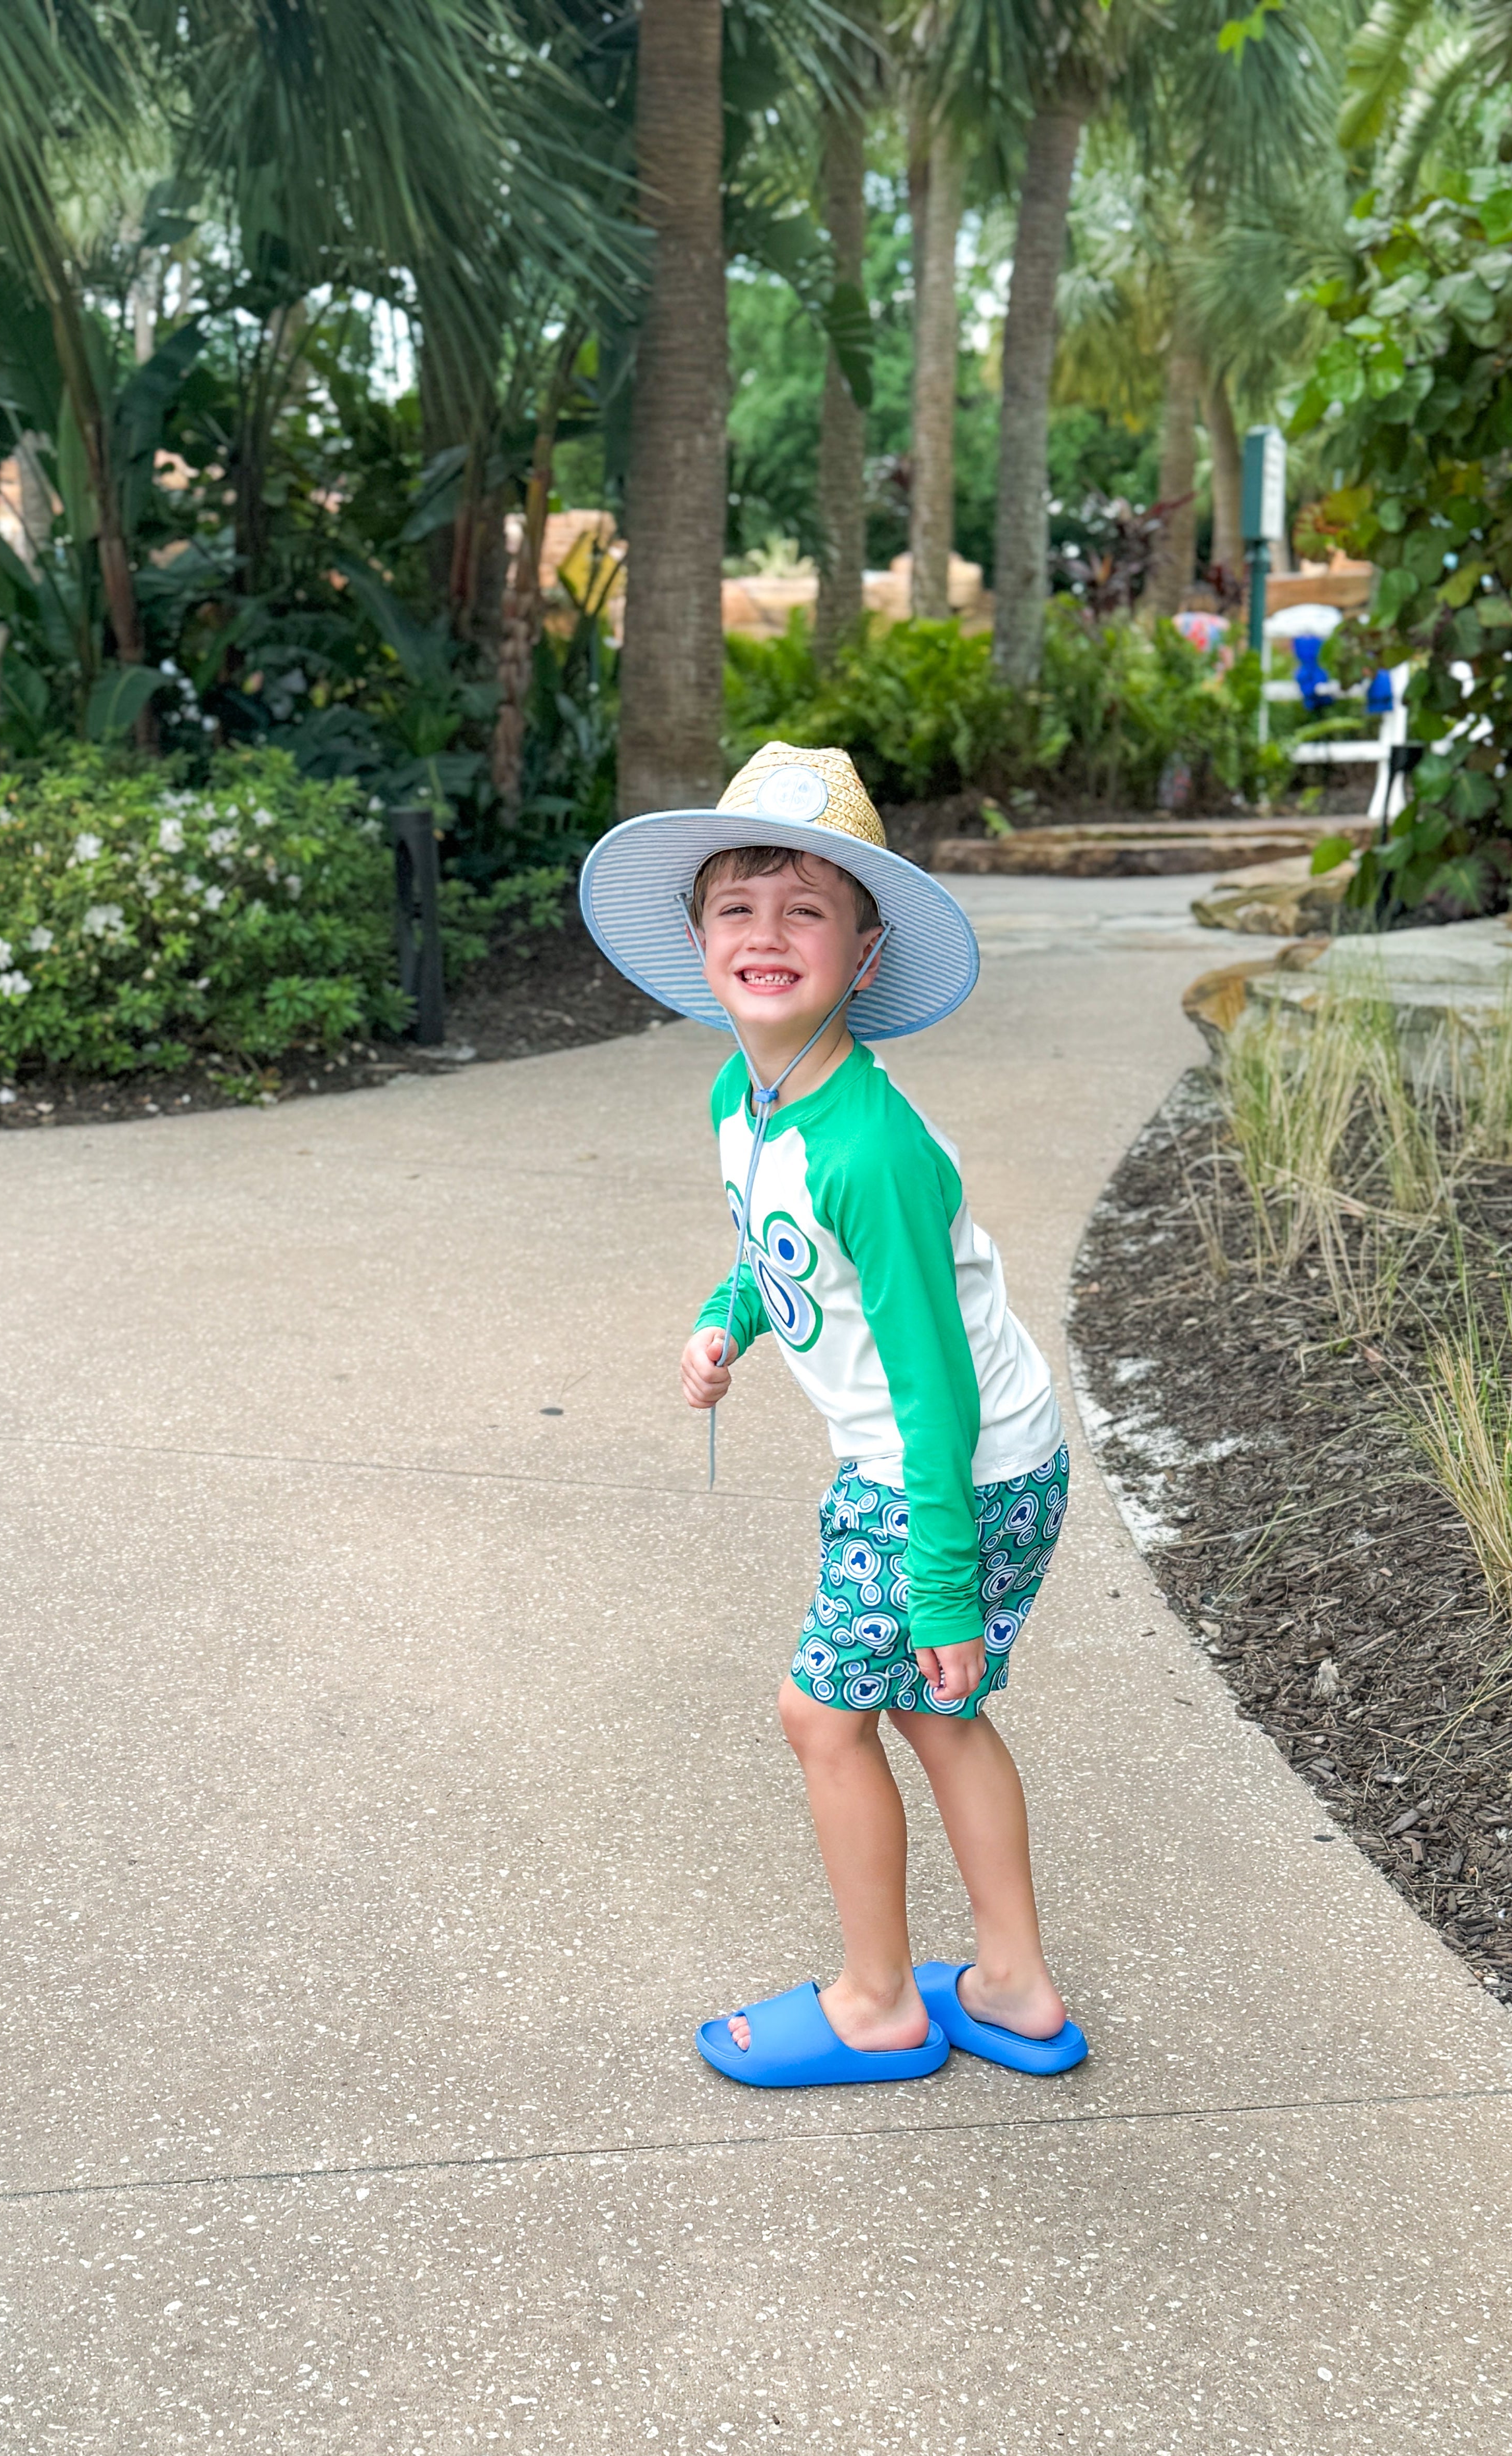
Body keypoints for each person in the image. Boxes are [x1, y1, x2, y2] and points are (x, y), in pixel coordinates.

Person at [579, 742, 1086, 2088]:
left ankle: (877, 2000)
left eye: (807, 909)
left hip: (950, 1472)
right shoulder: (746, 1104)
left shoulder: (874, 1149)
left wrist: (940, 1589)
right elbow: (775, 1245)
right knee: (936, 1713)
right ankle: (1015, 1984)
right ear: (697, 941)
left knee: (826, 1715)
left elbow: (938, 1392)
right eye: (739, 908)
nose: (767, 934)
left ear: (863, 954)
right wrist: (727, 1319)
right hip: (970, 1462)